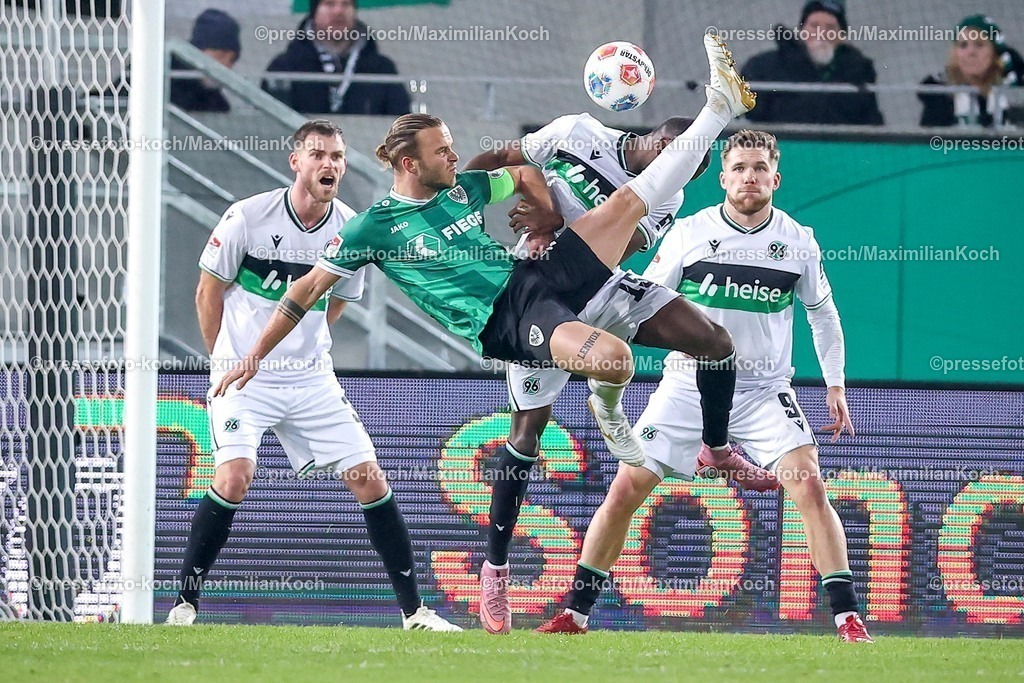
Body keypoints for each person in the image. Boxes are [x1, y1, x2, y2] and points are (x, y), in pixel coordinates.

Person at [214, 35, 756, 503]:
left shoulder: (464, 190)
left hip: (537, 275)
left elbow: (518, 171)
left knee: (630, 202)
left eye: (452, 148)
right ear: (410, 164)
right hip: (505, 322)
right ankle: (607, 411)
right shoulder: (369, 229)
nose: (455, 157)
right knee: (612, 364)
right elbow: (306, 289)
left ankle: (720, 106)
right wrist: (255, 355)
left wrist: (545, 212)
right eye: (443, 151)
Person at [534, 129, 872, 644]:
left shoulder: (797, 240)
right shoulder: (690, 232)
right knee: (626, 488)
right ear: (723, 178)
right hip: (688, 384)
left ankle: (848, 618)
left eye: (759, 168)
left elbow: (822, 315)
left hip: (761, 391)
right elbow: (641, 298)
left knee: (807, 483)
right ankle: (575, 614)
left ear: (775, 178)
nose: (749, 177)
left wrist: (835, 385)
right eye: (739, 168)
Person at [464, 113, 780, 635]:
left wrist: (554, 221)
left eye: (695, 166)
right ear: (659, 137)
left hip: (602, 292)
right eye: (680, 153)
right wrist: (464, 214)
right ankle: (495, 567)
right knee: (526, 433)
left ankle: (715, 447)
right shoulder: (577, 132)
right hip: (539, 297)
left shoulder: (668, 198)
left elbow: (617, 245)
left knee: (715, 343)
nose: (684, 168)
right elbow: (504, 161)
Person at [165, 119, 460, 632]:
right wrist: (223, 359)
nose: (330, 165)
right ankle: (185, 604)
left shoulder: (352, 228)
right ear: (295, 161)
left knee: (369, 479)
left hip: (310, 382)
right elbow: (207, 292)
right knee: (235, 478)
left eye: (338, 157)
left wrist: (303, 351)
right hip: (245, 379)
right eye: (319, 155)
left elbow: (335, 305)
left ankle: (415, 613)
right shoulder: (247, 218)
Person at [740, 1, 883, 125]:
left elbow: (871, 124)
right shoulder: (763, 66)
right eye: (814, 26)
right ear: (801, 31)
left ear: (842, 36)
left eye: (830, 28)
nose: (821, 33)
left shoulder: (859, 72)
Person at [262, 0, 411, 115]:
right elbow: (271, 124)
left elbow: (402, 128)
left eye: (346, 4)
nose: (339, 11)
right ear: (314, 12)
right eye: (329, 3)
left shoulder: (382, 68)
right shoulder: (284, 66)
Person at [919, 14, 1024, 128]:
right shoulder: (939, 102)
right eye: (963, 45)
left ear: (994, 53)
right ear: (955, 54)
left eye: (979, 45)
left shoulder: (1013, 94)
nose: (971, 52)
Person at [170, 8, 241, 113]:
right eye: (220, 56)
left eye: (232, 59)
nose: (226, 65)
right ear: (196, 52)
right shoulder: (160, 85)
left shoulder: (218, 104)